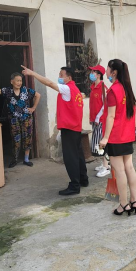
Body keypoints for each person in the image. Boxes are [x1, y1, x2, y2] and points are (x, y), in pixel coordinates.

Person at [21, 65, 88, 195]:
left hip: (69, 128)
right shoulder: (75, 89)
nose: (59, 77)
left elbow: (50, 83)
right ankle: (83, 180)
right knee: (78, 155)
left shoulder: (67, 88)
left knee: (70, 158)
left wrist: (32, 73)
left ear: (69, 77)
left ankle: (75, 186)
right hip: (75, 128)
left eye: (61, 75)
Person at [99, 59, 136, 216]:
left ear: (114, 72)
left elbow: (111, 116)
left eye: (108, 69)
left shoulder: (113, 91)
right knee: (129, 167)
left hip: (116, 136)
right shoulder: (127, 89)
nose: (106, 72)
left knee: (120, 170)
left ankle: (123, 204)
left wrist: (105, 138)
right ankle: (134, 201)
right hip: (128, 135)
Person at [0, 73, 40, 168]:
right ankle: (15, 159)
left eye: (20, 81)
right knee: (15, 138)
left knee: (27, 138)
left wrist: (33, 108)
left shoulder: (26, 90)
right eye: (17, 81)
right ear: (11, 81)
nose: (19, 83)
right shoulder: (8, 91)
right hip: (14, 119)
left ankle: (26, 159)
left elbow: (38, 95)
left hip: (26, 118)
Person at [88, 65, 110, 178]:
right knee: (98, 143)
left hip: (101, 120)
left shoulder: (103, 88)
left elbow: (105, 105)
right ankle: (104, 163)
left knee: (102, 143)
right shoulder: (93, 87)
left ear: (98, 75)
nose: (91, 74)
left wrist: (97, 117)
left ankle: (106, 167)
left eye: (93, 72)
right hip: (95, 120)